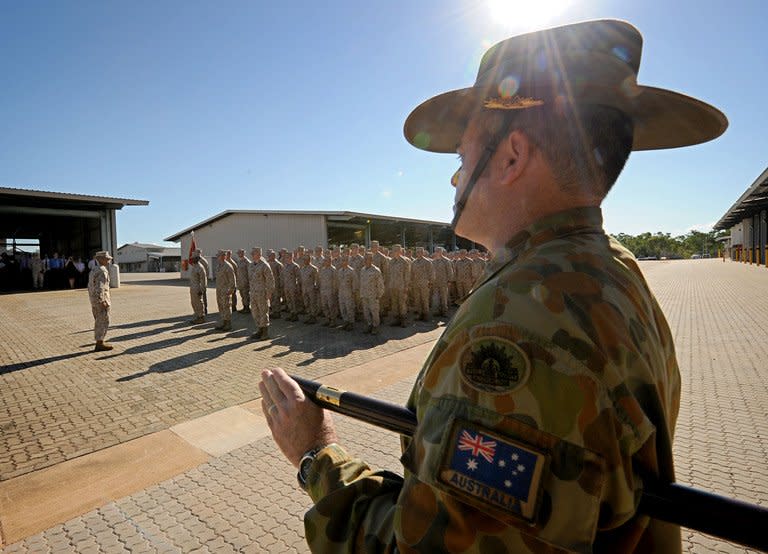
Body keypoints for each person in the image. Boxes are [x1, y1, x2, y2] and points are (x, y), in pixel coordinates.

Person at [259, 19, 728, 552]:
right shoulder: (608, 269)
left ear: (510, 156)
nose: (455, 178)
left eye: (462, 157)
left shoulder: (520, 328)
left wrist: (316, 456)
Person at [88, 251, 113, 351]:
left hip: (94, 299)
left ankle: (100, 341)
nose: (109, 260)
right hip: (101, 300)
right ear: (101, 259)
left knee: (98, 320)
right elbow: (100, 287)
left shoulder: (94, 269)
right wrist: (102, 300)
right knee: (103, 320)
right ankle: (99, 343)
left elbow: (90, 286)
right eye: (107, 259)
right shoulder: (102, 271)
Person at [249, 247, 275, 340]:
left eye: (254, 253)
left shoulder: (264, 265)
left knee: (263, 312)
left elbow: (270, 280)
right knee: (255, 312)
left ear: (259, 254)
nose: (252, 255)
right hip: (253, 293)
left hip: (262, 293)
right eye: (252, 253)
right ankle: (259, 329)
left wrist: (269, 293)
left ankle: (265, 332)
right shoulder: (251, 265)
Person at [358, 252, 385, 334]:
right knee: (366, 312)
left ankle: (375, 326)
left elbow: (380, 285)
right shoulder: (362, 270)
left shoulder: (376, 270)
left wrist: (379, 295)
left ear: (371, 260)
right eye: (365, 259)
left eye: (367, 259)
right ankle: (369, 325)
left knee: (374, 312)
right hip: (364, 294)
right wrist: (361, 293)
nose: (365, 261)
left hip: (373, 295)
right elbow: (361, 283)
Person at [386, 244, 411, 327]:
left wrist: (406, 286)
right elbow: (389, 274)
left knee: (402, 303)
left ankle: (403, 320)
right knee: (394, 303)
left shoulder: (405, 261)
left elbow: (407, 275)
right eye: (394, 251)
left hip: (401, 286)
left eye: (397, 250)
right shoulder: (391, 262)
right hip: (393, 286)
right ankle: (396, 319)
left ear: (400, 251)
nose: (395, 252)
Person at [410, 246, 434, 321]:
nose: (418, 253)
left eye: (420, 252)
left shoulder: (427, 262)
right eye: (417, 252)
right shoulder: (414, 262)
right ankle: (419, 314)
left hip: (424, 284)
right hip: (416, 284)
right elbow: (412, 273)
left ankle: (426, 314)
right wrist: (411, 282)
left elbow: (431, 273)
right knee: (417, 300)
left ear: (423, 253)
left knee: (425, 299)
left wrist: (431, 282)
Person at [214, 250, 236, 332]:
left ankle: (228, 324)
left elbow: (232, 279)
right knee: (221, 306)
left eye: (218, 255)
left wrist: (231, 290)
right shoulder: (218, 266)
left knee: (226, 306)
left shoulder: (228, 266)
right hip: (219, 290)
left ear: (223, 256)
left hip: (225, 290)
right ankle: (223, 322)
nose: (217, 257)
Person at [335, 254, 358, 331]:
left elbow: (355, 282)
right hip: (341, 292)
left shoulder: (351, 271)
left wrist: (353, 292)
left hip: (349, 292)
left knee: (349, 308)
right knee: (342, 308)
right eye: (342, 260)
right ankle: (346, 322)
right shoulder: (340, 271)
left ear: (348, 261)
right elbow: (337, 282)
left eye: (345, 260)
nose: (343, 262)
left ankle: (351, 323)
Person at [431, 246, 454, 317]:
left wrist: (450, 281)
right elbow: (432, 272)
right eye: (436, 251)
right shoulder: (433, 261)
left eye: (438, 251)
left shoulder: (446, 261)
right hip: (436, 282)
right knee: (436, 298)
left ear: (441, 252)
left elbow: (450, 272)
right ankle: (437, 311)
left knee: (444, 297)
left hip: (444, 282)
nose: (437, 252)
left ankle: (444, 312)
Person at [317, 256, 338, 326]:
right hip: (323, 290)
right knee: (324, 306)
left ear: (330, 261)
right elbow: (320, 280)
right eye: (325, 261)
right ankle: (328, 318)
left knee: (331, 306)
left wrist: (334, 291)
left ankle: (333, 320)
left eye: (327, 261)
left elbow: (335, 281)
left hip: (330, 291)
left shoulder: (333, 270)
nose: (325, 262)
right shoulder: (322, 269)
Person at [281, 251, 301, 321]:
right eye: (286, 257)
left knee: (293, 300)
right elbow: (283, 276)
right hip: (286, 286)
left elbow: (299, 278)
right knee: (288, 300)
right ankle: (292, 313)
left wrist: (298, 287)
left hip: (293, 286)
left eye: (288, 257)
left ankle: (295, 315)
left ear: (292, 257)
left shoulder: (295, 266)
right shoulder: (285, 266)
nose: (287, 258)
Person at [188, 254, 207, 324]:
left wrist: (202, 290)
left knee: (198, 303)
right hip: (193, 287)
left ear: (197, 259)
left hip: (197, 288)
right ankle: (197, 316)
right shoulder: (194, 266)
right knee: (194, 303)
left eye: (193, 258)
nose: (192, 260)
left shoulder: (200, 267)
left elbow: (203, 280)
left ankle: (201, 317)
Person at [236, 249, 252, 314]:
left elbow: (250, 273)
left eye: (240, 253)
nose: (238, 254)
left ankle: (247, 308)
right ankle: (244, 307)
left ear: (243, 253)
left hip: (245, 281)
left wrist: (249, 282)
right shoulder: (239, 261)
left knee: (246, 295)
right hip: (240, 281)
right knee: (242, 295)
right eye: (238, 253)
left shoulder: (247, 262)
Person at [195, 248, 210, 315]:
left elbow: (206, 272)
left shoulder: (202, 261)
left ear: (198, 253)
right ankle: (201, 310)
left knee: (203, 297)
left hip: (202, 282)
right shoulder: (197, 260)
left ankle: (204, 310)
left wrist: (203, 282)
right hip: (198, 282)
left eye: (195, 253)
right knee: (199, 298)